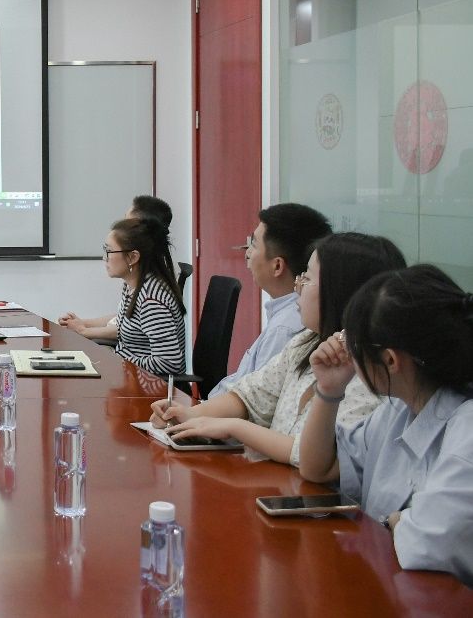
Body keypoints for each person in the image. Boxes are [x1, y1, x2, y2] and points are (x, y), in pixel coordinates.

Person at [150, 232, 403, 465]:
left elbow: (313, 456)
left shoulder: (368, 376)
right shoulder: (305, 342)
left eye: (307, 278)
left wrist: (234, 427)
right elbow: (251, 395)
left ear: (340, 292)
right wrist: (190, 415)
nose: (297, 287)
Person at [299, 265, 473, 585]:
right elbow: (317, 468)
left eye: (353, 345)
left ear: (390, 361)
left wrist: (400, 523)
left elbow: (425, 544)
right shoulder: (397, 411)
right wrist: (329, 389)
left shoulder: (466, 429)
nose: (347, 353)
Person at [207, 203, 332, 398]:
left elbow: (255, 402)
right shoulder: (286, 316)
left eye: (254, 244)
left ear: (277, 266)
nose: (247, 253)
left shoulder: (286, 328)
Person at [60, 217, 186, 376]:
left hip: (147, 384)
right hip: (131, 374)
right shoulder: (133, 286)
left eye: (109, 251)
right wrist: (83, 326)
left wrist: (118, 360)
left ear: (133, 257)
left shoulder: (151, 301)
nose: (104, 258)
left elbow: (170, 363)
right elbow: (125, 325)